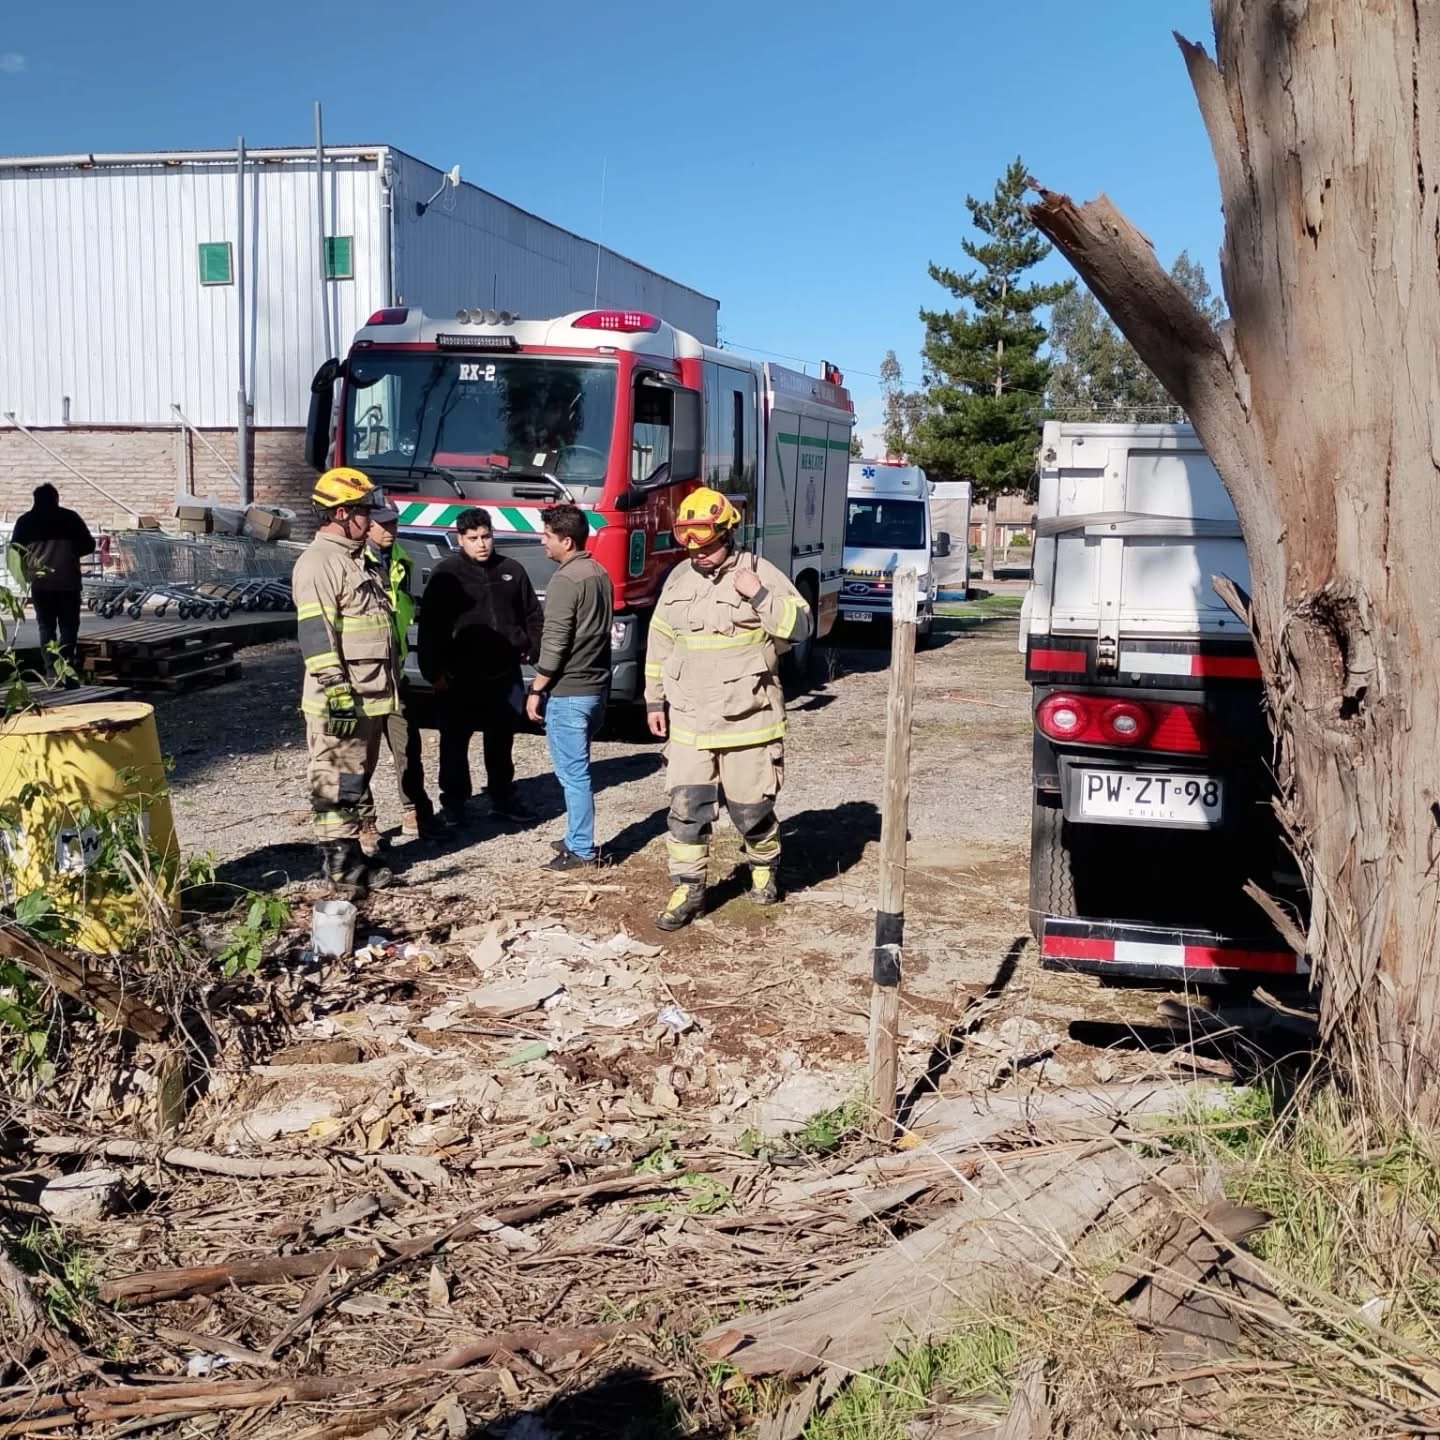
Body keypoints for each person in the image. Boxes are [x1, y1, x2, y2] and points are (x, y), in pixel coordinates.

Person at [643, 487, 811, 930]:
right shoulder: (678, 579)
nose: (699, 554)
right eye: (691, 546)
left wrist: (758, 595)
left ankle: (763, 869)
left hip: (748, 723)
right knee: (685, 811)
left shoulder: (759, 572)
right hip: (690, 724)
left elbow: (801, 626)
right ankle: (688, 889)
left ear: (728, 534)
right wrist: (653, 699)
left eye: (707, 545)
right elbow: (659, 643)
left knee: (751, 812)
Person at [291, 466, 397, 893]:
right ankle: (342, 868)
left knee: (354, 779)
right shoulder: (319, 563)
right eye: (363, 511)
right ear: (339, 513)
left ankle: (351, 857)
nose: (370, 519)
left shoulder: (352, 558)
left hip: (366, 694)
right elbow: (317, 634)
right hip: (343, 699)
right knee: (335, 779)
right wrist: (336, 691)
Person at [418, 507, 542, 827]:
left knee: (501, 741)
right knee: (455, 743)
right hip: (460, 676)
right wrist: (433, 671)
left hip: (504, 674)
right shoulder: (446, 575)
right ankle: (455, 804)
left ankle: (502, 797)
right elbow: (430, 627)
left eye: (486, 536)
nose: (481, 544)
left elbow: (532, 615)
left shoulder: (512, 570)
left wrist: (532, 646)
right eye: (473, 539)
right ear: (460, 539)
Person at [525, 503, 613, 871]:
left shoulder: (565, 580)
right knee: (578, 770)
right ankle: (576, 836)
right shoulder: (599, 573)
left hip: (569, 692)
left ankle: (580, 848)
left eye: (546, 535)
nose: (542, 541)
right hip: (595, 688)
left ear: (566, 540)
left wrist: (537, 688)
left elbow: (556, 640)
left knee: (573, 774)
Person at [357, 502, 442, 849]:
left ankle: (415, 811)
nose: (390, 530)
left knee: (407, 745)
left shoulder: (401, 559)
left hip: (395, 668)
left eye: (393, 523)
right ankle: (365, 822)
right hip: (366, 672)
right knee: (363, 752)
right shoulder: (355, 562)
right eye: (382, 524)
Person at [11, 483, 96, 679]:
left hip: (41, 584)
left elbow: (15, 551)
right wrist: (71, 553)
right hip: (68, 582)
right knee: (68, 626)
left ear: (35, 500)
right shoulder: (70, 518)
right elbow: (89, 545)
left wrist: (26, 569)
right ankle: (66, 668)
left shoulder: (25, 521)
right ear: (56, 498)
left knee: (46, 626)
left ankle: (50, 670)